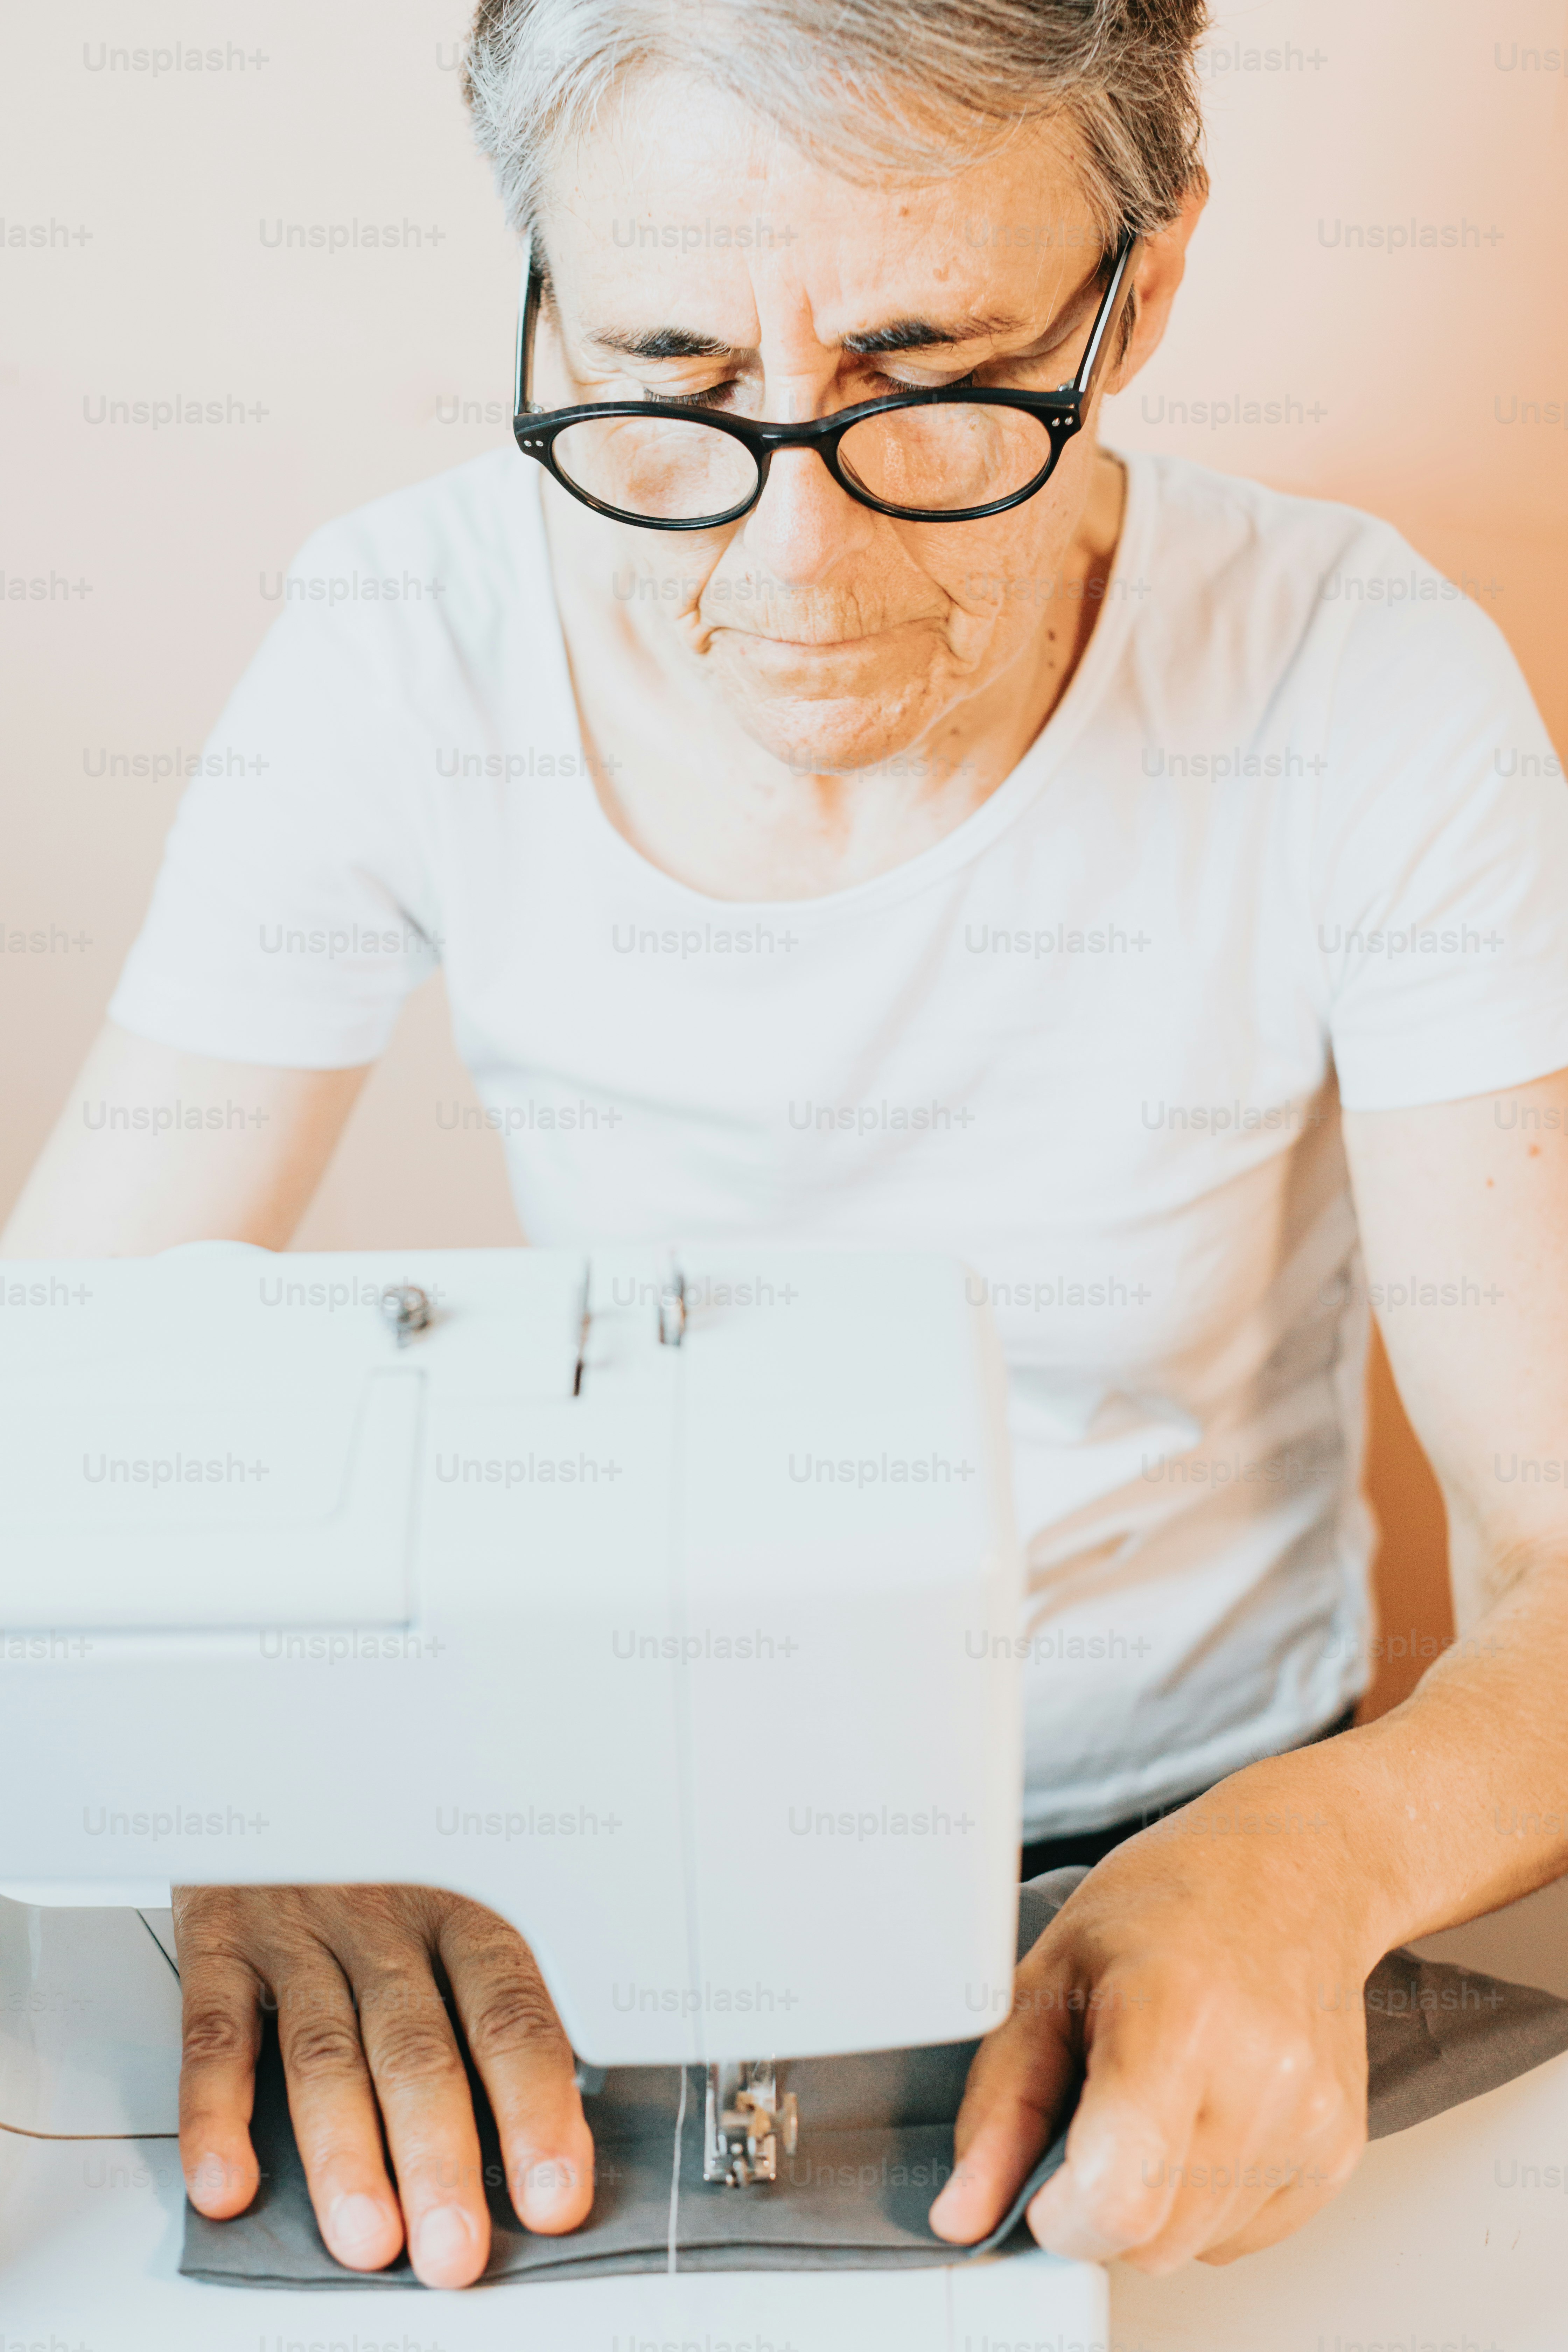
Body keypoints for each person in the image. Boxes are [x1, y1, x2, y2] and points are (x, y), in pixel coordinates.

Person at [7, 0, 1568, 2295]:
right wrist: (240, 1819)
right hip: (598, 1845)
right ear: (541, 289)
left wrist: (1320, 1860)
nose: (799, 581)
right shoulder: (404, 647)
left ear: (1142, 289)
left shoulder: (1358, 690)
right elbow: (61, 1403)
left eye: (933, 386)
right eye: (661, 375)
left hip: (1212, 1818)